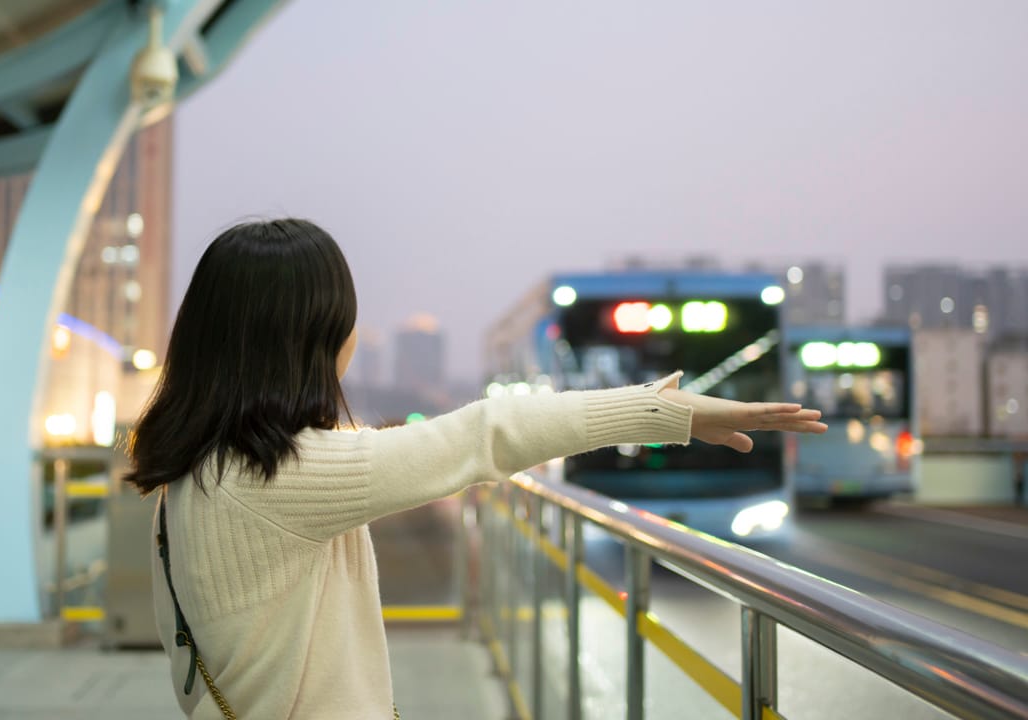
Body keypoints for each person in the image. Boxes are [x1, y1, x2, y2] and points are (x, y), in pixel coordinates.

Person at [126, 218, 826, 719]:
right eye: (342, 320)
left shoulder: (191, 473)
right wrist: (666, 413)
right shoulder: (281, 476)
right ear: (308, 338)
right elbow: (484, 435)